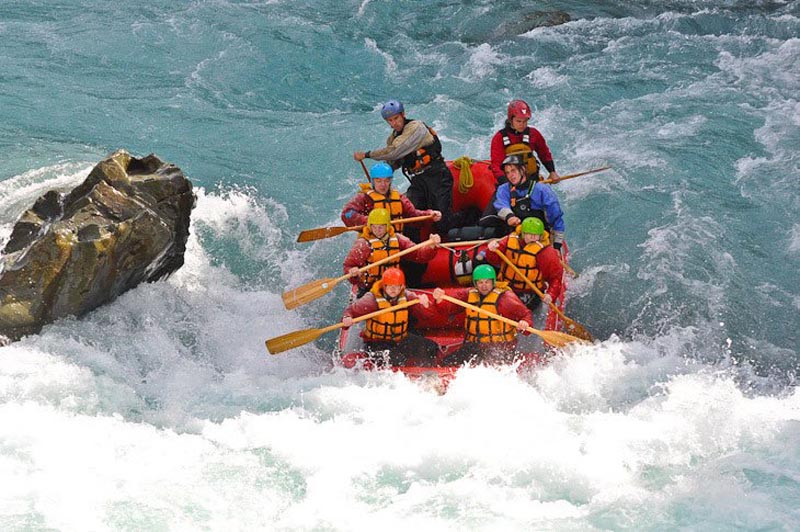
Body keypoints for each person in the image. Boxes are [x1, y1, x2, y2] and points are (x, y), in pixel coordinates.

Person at [353, 99, 454, 237]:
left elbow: (394, 151)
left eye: (396, 118)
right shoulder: (392, 138)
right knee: (409, 217)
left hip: (437, 175)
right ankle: (412, 246)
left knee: (442, 220)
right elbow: (393, 162)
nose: (394, 123)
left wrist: (366, 155)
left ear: (403, 114)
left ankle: (468, 219)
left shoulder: (416, 127)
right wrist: (378, 182)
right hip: (418, 180)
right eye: (390, 120)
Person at [432, 264, 532, 366]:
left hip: (500, 348)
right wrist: (440, 300)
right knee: (447, 363)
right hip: (475, 345)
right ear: (475, 283)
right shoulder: (468, 294)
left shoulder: (506, 298)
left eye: (487, 282)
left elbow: (525, 314)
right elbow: (450, 307)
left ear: (493, 282)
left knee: (489, 365)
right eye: (480, 282)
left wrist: (525, 322)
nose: (484, 286)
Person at [341, 267, 439, 366]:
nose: (393, 290)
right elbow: (351, 311)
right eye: (390, 286)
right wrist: (347, 318)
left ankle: (428, 369)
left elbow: (427, 315)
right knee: (397, 359)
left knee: (431, 347)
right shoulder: (371, 299)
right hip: (376, 343)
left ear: (402, 286)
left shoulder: (408, 296)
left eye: (396, 286)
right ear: (384, 286)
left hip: (398, 339)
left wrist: (425, 305)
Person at [343, 208, 440, 295]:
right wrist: (352, 272)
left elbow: (418, 254)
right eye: (374, 227)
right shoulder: (363, 244)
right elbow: (348, 266)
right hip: (370, 289)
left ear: (387, 226)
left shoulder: (398, 239)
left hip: (393, 286)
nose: (377, 231)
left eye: (381, 227)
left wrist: (431, 247)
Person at [485, 217, 563, 310]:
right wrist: (491, 250)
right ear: (523, 233)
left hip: (530, 291)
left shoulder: (546, 252)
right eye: (529, 234)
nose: (533, 237)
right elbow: (493, 260)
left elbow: (555, 278)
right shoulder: (509, 241)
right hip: (505, 286)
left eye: (536, 235)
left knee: (516, 309)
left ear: (541, 236)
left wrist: (551, 294)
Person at [341, 161, 442, 234]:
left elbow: (413, 215)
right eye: (379, 181)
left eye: (386, 181)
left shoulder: (399, 198)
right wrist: (371, 220)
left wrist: (429, 215)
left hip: (396, 239)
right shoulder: (364, 198)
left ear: (390, 181)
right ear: (372, 182)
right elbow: (347, 213)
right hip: (371, 241)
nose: (383, 185)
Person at [491, 154, 565, 251]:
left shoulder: (542, 190)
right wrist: (509, 217)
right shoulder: (503, 189)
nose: (511, 175)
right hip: (517, 235)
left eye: (513, 170)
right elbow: (501, 205)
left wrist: (557, 245)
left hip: (538, 237)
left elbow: (556, 218)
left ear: (523, 169)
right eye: (507, 173)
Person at [489, 99, 559, 184]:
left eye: (525, 121)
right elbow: (496, 165)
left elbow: (544, 154)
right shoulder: (499, 138)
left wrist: (552, 172)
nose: (522, 124)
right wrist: (507, 185)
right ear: (511, 120)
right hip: (509, 181)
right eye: (519, 121)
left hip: (531, 180)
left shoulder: (534, 134)